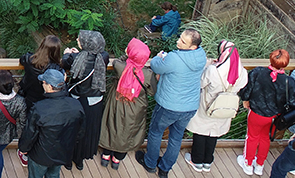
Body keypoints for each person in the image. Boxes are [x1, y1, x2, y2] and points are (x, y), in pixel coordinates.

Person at [136, 29, 207, 178]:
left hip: (169, 105)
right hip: (189, 106)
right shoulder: (201, 56)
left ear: (192, 46)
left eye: (183, 41)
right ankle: (164, 168)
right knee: (176, 137)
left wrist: (159, 57)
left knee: (156, 132)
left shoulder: (174, 58)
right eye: (180, 38)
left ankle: (150, 163)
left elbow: (156, 66)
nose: (178, 42)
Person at [184, 40, 248, 172]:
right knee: (214, 133)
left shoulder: (214, 70)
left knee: (201, 132)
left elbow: (201, 83)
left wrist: (207, 65)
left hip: (207, 104)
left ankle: (196, 161)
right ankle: (208, 161)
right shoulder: (242, 73)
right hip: (226, 106)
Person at [238, 49, 295, 175]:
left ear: (271, 59)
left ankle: (248, 163)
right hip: (274, 116)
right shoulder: (289, 82)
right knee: (265, 138)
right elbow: (293, 102)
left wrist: (245, 99)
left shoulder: (258, 72)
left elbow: (246, 90)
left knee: (252, 137)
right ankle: (260, 164)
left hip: (257, 112)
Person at [99, 38, 154, 170]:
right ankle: (117, 159)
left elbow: (118, 61)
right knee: (129, 130)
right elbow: (152, 92)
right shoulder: (148, 74)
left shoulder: (120, 67)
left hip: (117, 102)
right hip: (136, 107)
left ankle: (106, 156)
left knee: (112, 125)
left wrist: (127, 56)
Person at [20, 68, 84, 178]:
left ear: (49, 87)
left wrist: (23, 148)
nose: (42, 84)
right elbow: (80, 132)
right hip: (62, 152)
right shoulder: (76, 105)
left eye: (44, 82)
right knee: (54, 174)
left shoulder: (39, 108)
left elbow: (30, 133)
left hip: (40, 155)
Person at [62, 30, 109, 170]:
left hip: (77, 100)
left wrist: (66, 53)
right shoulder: (104, 56)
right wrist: (80, 51)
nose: (77, 39)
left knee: (72, 129)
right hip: (94, 102)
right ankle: (80, 160)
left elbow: (65, 62)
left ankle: (69, 160)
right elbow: (93, 56)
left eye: (80, 39)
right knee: (87, 131)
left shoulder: (76, 58)